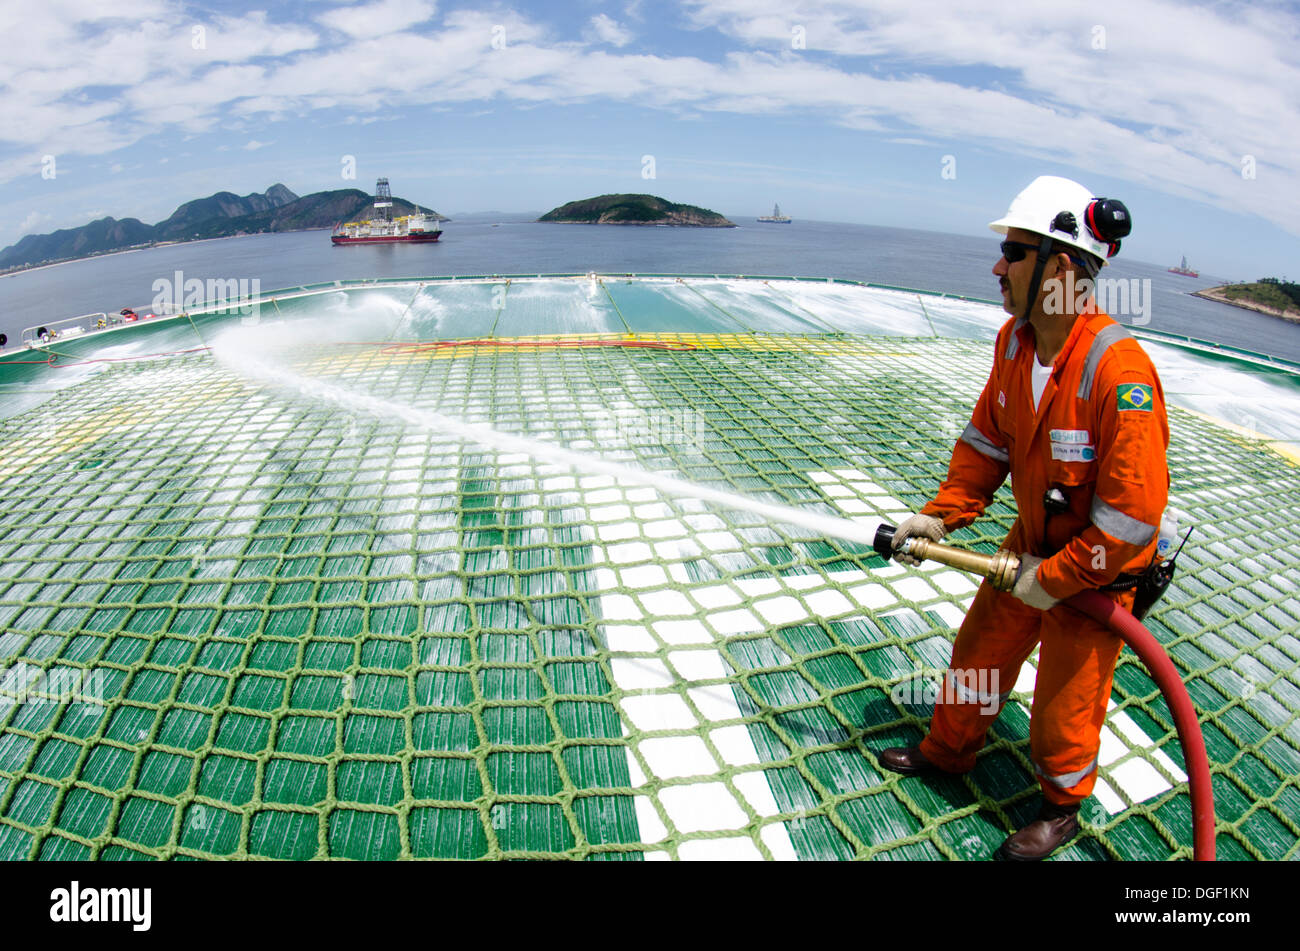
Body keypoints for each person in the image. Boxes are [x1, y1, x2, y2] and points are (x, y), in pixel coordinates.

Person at [876, 176, 1170, 861]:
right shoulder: (1014, 343)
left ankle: (1061, 808)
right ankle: (948, 751)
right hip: (1029, 544)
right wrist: (940, 518)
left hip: (1095, 575)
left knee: (1064, 711)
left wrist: (1058, 577)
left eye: (1012, 251)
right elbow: (986, 445)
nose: (996, 267)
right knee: (978, 652)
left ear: (1061, 267)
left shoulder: (1117, 373)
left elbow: (1131, 520)